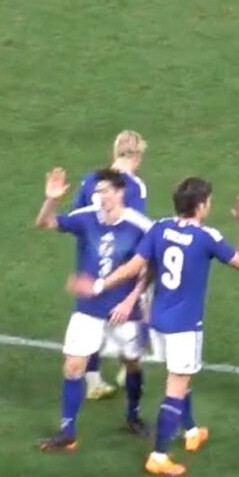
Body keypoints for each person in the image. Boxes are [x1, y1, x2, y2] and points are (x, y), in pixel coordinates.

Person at [69, 178, 239, 477]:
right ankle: (159, 454)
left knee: (182, 376)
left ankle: (191, 430)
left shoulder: (160, 228)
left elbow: (137, 267)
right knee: (176, 387)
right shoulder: (206, 237)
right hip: (185, 325)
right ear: (200, 206)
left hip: (158, 320)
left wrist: (100, 284)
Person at [36, 166, 154, 452]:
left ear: (120, 192)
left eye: (106, 191)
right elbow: (45, 223)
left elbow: (150, 268)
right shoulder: (85, 218)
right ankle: (67, 432)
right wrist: (51, 199)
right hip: (88, 308)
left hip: (123, 310)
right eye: (97, 191)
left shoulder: (140, 225)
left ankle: (133, 415)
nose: (101, 196)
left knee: (132, 363)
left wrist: (131, 300)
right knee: (73, 366)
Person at [69, 130, 155, 398]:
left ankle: (93, 380)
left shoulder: (90, 180)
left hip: (89, 255)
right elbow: (134, 226)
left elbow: (76, 215)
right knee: (135, 308)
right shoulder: (133, 185)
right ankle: (127, 361)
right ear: (137, 156)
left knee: (90, 315)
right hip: (121, 261)